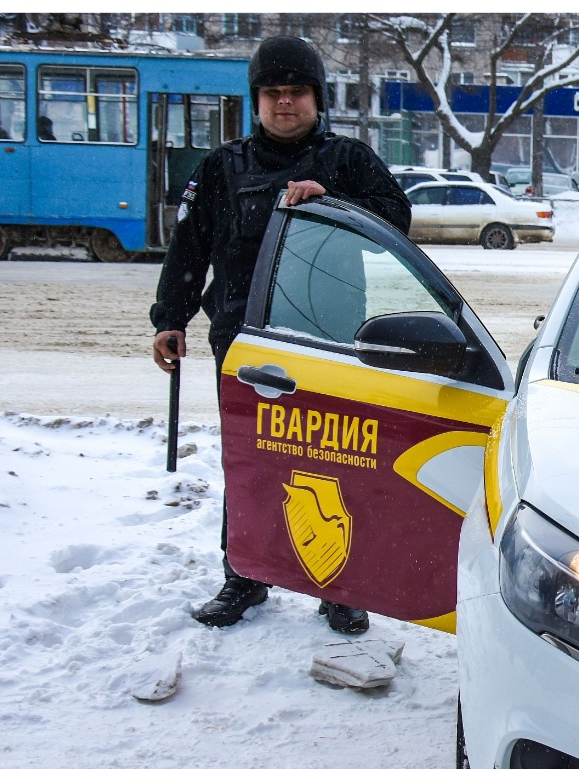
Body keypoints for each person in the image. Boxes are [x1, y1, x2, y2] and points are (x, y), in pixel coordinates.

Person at [148, 35, 410, 634]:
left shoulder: (349, 160)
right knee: (251, 460)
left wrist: (335, 201)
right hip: (246, 343)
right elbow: (188, 249)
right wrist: (170, 318)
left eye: (296, 92)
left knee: (337, 459)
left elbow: (397, 219)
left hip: (331, 341)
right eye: (272, 93)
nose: (284, 102)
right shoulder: (222, 167)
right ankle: (244, 574)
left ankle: (339, 584)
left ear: (317, 98)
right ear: (257, 100)